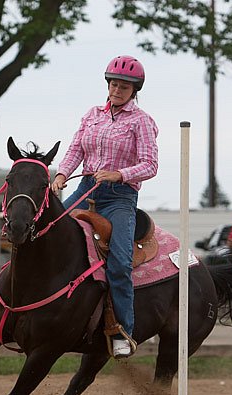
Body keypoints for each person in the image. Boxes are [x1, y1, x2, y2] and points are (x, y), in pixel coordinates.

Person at [50, 55, 159, 358]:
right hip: (86, 187)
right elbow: (75, 149)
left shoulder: (142, 121)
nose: (117, 90)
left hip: (119, 197)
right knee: (50, 230)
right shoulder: (92, 115)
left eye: (124, 86)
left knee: (121, 262)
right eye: (114, 84)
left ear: (135, 89)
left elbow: (150, 164)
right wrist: (61, 174)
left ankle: (123, 330)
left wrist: (119, 174)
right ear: (107, 84)